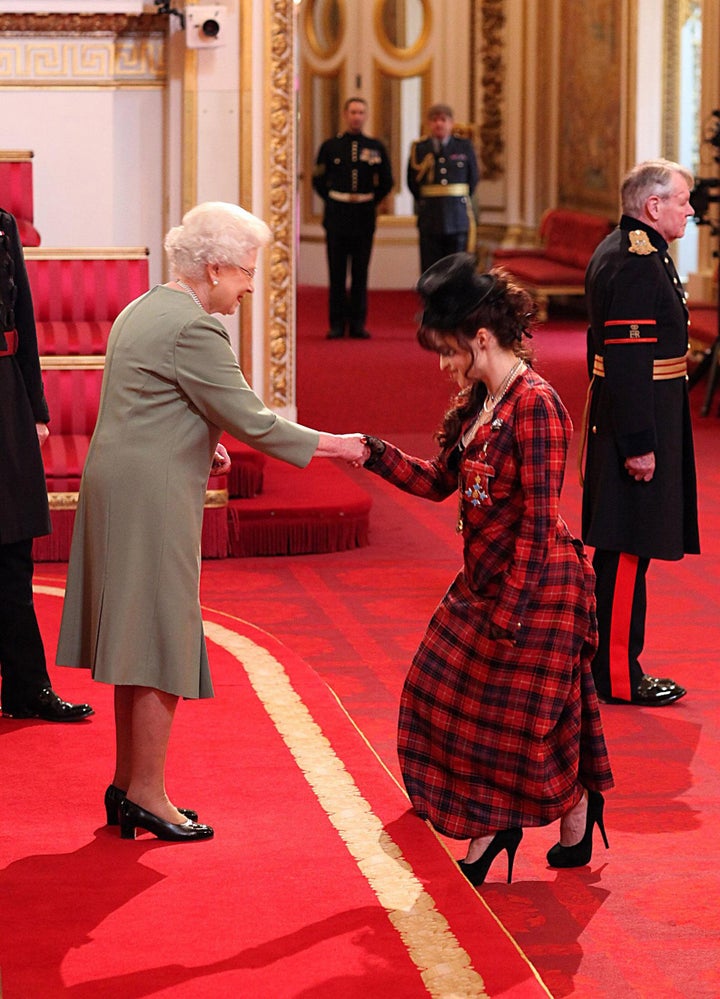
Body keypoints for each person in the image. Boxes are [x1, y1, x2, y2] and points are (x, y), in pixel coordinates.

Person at [56, 202, 368, 843]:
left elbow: (148, 398)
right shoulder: (197, 330)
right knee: (162, 639)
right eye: (247, 272)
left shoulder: (143, 307)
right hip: (153, 495)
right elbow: (256, 420)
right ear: (217, 266)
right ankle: (145, 793)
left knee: (135, 639)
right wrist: (340, 444)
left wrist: (201, 436)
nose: (250, 286)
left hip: (120, 482)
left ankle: (127, 787)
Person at [360, 253, 614, 884]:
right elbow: (436, 481)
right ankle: (577, 804)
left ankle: (495, 827)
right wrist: (367, 452)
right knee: (438, 692)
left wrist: (510, 612)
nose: (444, 365)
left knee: (507, 723)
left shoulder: (537, 405)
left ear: (480, 338)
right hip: (485, 582)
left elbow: (537, 522)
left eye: (448, 351)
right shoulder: (484, 401)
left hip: (539, 589)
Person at [582, 159, 699, 706]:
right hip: (639, 420)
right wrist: (639, 445)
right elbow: (627, 361)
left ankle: (615, 666)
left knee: (629, 547)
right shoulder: (637, 262)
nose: (690, 209)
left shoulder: (631, 250)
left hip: (636, 412)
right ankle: (619, 677)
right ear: (654, 206)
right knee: (628, 548)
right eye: (683, 200)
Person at [0, 208, 94, 723]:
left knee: (14, 552)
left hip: (4, 395)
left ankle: (26, 687)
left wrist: (35, 407)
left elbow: (23, 320)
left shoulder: (1, 224)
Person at [312, 97, 393, 339]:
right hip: (337, 215)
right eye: (353, 112)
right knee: (336, 272)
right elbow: (318, 179)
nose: (357, 116)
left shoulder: (375, 146)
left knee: (360, 272)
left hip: (364, 216)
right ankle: (336, 323)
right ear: (346, 115)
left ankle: (358, 323)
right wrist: (333, 198)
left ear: (366, 116)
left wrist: (371, 199)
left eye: (361, 112)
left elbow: (387, 180)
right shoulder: (330, 147)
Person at [407, 103, 480, 274]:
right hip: (430, 218)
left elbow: (473, 179)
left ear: (451, 123)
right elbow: (412, 182)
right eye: (434, 120)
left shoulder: (464, 146)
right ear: (429, 123)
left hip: (457, 218)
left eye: (443, 120)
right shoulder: (419, 148)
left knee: (457, 271)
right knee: (431, 271)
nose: (439, 124)